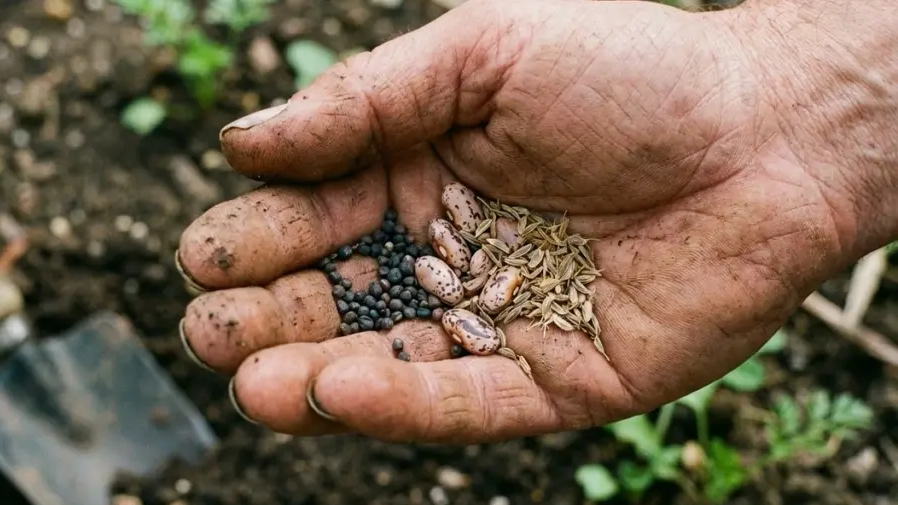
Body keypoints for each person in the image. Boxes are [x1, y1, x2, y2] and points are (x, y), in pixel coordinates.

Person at [173, 0, 897, 444]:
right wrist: (792, 94)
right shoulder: (467, 261)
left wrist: (789, 103)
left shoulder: (517, 267)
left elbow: (476, 279)